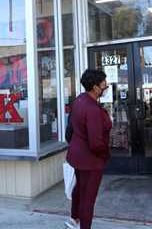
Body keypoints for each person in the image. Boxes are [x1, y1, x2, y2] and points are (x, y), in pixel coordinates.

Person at [65, 69, 112, 229]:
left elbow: (69, 130)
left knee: (79, 189)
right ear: (95, 87)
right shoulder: (92, 109)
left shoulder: (79, 100)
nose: (106, 87)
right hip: (91, 160)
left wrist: (75, 146)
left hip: (77, 156)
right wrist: (105, 155)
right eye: (104, 84)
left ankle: (74, 219)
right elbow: (96, 143)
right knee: (88, 198)